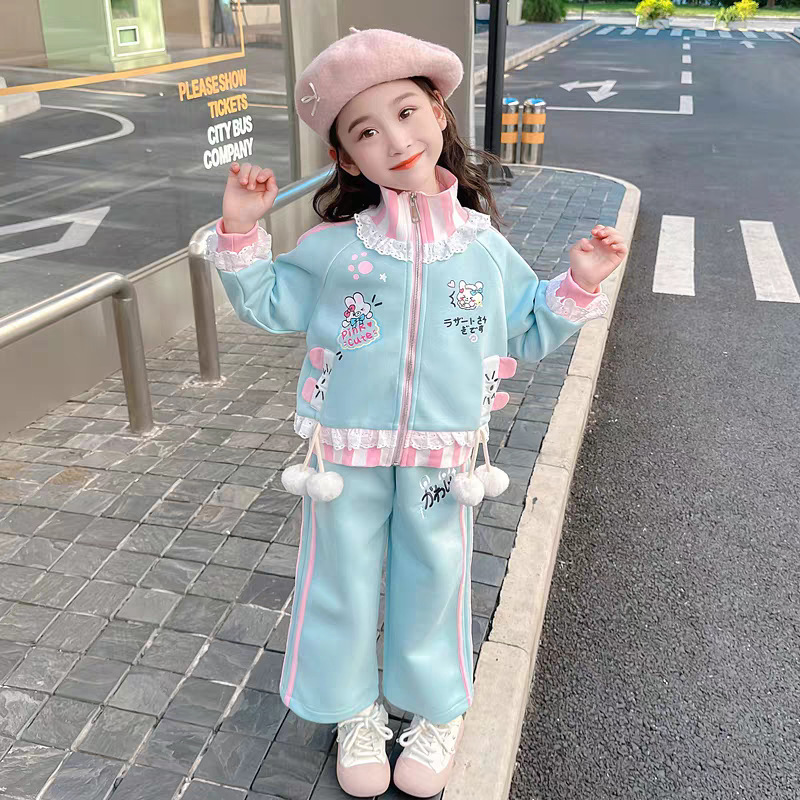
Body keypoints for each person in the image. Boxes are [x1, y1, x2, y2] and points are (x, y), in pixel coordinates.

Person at [208, 26, 627, 798]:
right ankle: (352, 709)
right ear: (345, 159)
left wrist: (579, 281)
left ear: (438, 113)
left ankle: (436, 710)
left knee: (435, 577)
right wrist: (240, 229)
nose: (395, 140)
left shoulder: (482, 249)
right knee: (338, 578)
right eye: (365, 131)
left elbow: (525, 327)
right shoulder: (336, 248)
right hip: (344, 455)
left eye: (405, 113)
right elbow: (270, 302)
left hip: (443, 454)